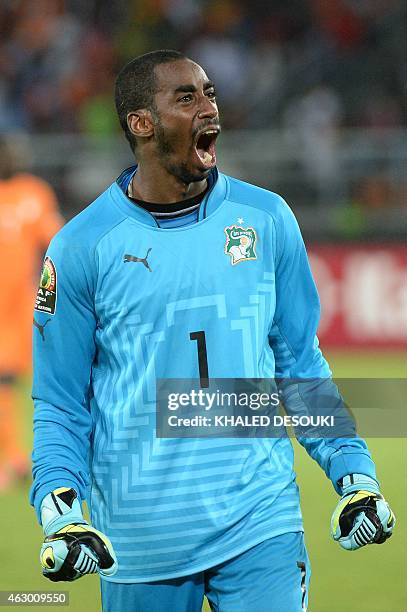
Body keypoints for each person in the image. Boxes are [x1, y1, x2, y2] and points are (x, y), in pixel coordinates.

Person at [30, 50, 395, 612]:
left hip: (260, 521)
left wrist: (354, 473)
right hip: (140, 537)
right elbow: (60, 402)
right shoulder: (82, 248)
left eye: (210, 94)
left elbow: (298, 364)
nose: (209, 108)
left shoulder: (267, 218)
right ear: (141, 124)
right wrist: (61, 509)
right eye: (187, 97)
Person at [0, 136, 62, 491]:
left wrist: (49, 294)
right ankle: (15, 458)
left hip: (22, 307)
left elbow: (57, 243)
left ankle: (25, 455)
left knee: (28, 385)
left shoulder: (33, 193)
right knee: (5, 385)